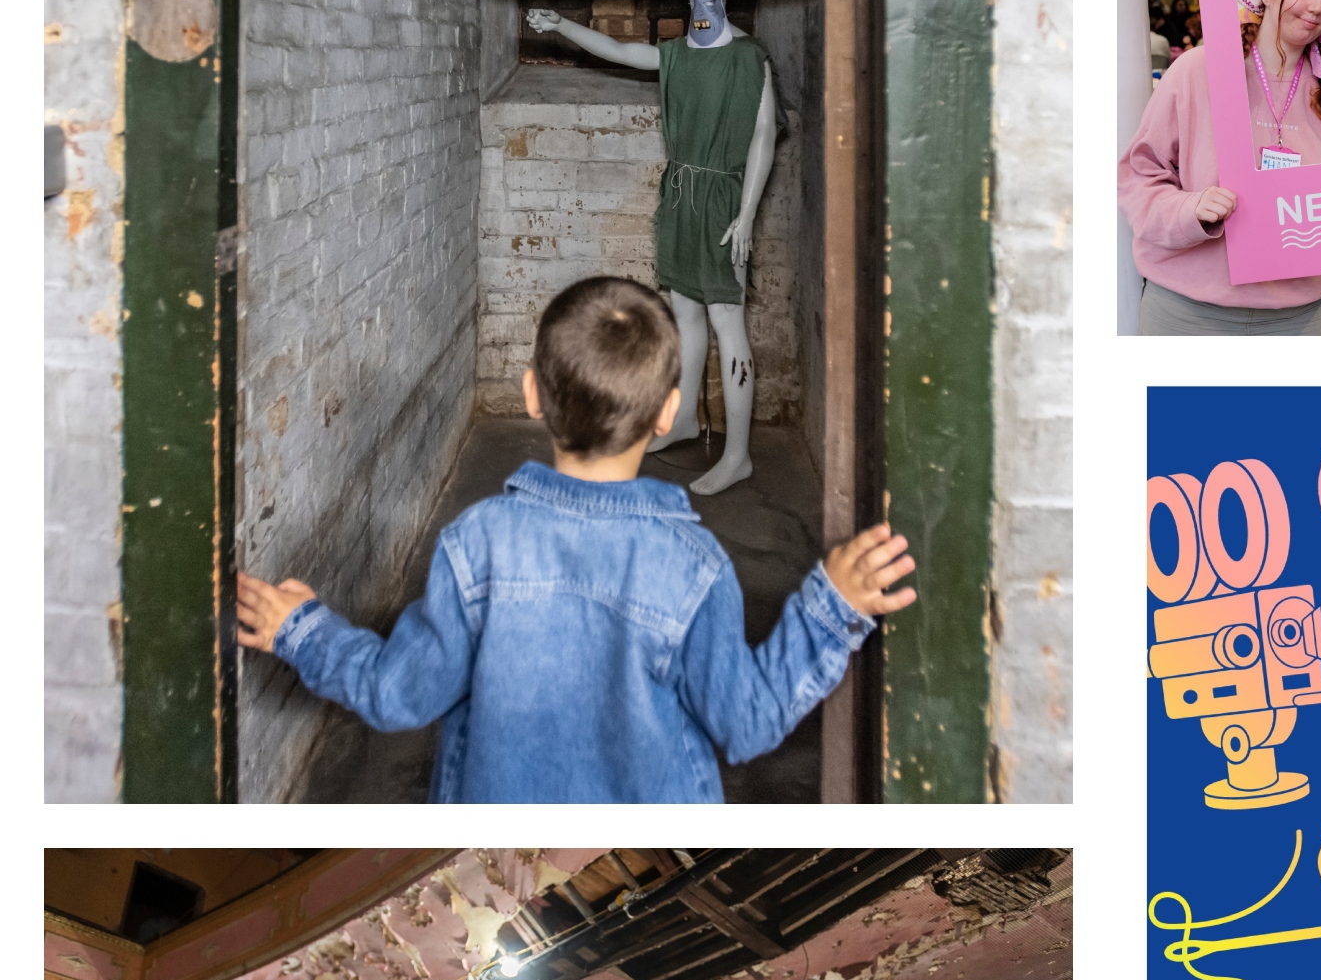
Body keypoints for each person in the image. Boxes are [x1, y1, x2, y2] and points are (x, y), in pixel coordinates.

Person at [232, 276, 917, 802]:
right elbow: (747, 720)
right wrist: (831, 608)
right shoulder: (693, 567)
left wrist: (304, 632)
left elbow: (401, 692)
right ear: (667, 414)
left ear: (533, 395)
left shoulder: (477, 544)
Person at [525, 0, 777, 496]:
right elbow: (620, 51)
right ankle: (684, 419)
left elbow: (762, 137)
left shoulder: (749, 58)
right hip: (682, 196)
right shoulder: (677, 56)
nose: (697, 7)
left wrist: (747, 214)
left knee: (727, 320)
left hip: (723, 202)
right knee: (684, 312)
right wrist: (562, 25)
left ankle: (738, 454)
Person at [1118, 0, 1321, 335]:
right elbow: (1137, 177)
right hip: (1187, 316)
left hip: (1298, 320)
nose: (1315, 8)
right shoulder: (1198, 70)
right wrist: (1189, 210)